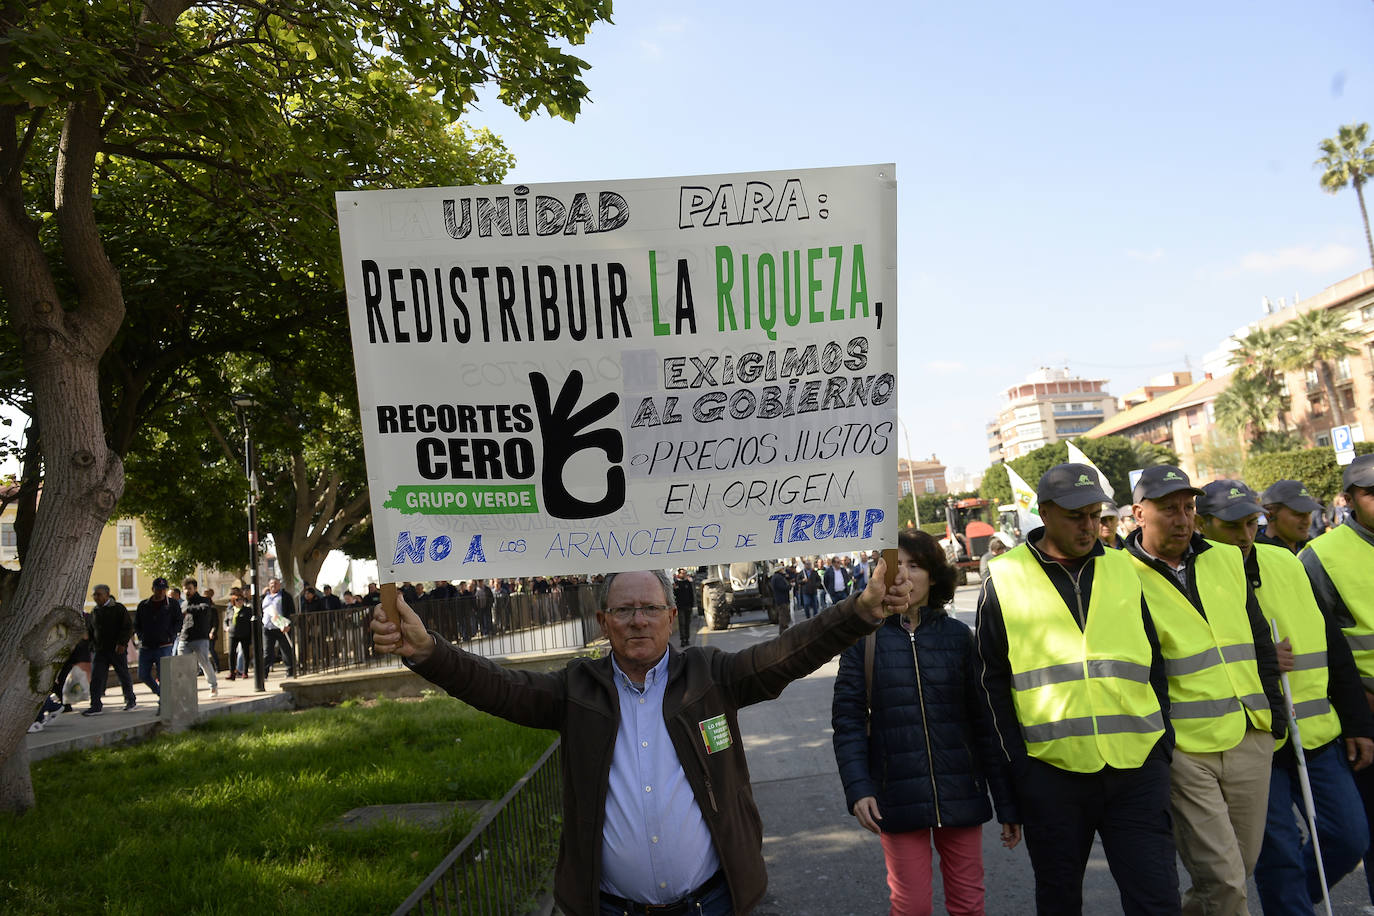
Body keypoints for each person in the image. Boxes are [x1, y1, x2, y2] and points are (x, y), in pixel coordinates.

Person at [371, 561, 912, 916]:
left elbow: (787, 653)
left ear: (671, 614)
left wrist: (857, 613)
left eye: (650, 608)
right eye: (624, 610)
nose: (638, 621)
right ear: (604, 620)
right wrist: (427, 652)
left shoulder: (710, 676)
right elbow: (498, 686)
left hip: (716, 903)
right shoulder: (575, 689)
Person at [976, 463, 1178, 915]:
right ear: (1044, 513)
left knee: (1157, 899)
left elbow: (1154, 661)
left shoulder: (1125, 569)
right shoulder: (1005, 576)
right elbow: (989, 683)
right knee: (1060, 900)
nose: (1089, 526)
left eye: (1095, 515)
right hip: (1052, 773)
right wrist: (1018, 769)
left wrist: (1163, 744)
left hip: (1137, 766)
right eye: (1076, 516)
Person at [1194, 479, 1374, 914]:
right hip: (1252, 741)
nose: (1243, 535)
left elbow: (1332, 646)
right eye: (1230, 525)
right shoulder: (1189, 574)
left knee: (1351, 838)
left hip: (1316, 734)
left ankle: (1295, 903)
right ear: (1202, 524)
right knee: (1279, 855)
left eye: (1250, 524)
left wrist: (1356, 724)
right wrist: (1258, 655)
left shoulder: (1287, 562)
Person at [1124, 465, 1286, 916]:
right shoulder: (1117, 574)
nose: (1182, 519)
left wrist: (1272, 718)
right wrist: (1163, 747)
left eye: (1189, 508)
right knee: (1224, 877)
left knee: (1238, 868)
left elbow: (1259, 643)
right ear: (1139, 513)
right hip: (1185, 749)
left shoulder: (1226, 558)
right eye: (1169, 509)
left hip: (1248, 734)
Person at [836, 530, 1017, 916]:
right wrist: (858, 788)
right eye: (895, 565)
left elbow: (985, 723)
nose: (903, 574)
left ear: (933, 576)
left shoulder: (958, 637)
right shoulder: (862, 640)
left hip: (961, 791)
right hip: (895, 797)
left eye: (914, 565)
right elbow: (849, 721)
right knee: (911, 906)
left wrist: (1007, 804)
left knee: (969, 904)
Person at [1301, 453, 1374, 908]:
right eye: (1372, 493)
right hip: (1367, 712)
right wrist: (1355, 714)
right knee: (1363, 830)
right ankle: (1291, 897)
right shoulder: (1320, 557)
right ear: (1347, 500)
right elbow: (1320, 647)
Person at [83, 584, 138, 715]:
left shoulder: (118, 608)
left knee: (123, 675)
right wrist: (92, 646)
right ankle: (95, 705)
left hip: (116, 649)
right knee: (96, 677)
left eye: (99, 594)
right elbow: (91, 631)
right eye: (94, 595)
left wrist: (122, 643)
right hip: (100, 650)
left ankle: (130, 700)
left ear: (107, 594)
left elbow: (128, 627)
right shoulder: (95, 611)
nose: (96, 597)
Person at [134, 576, 180, 704]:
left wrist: (171, 635)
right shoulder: (143, 605)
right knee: (143, 674)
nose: (160, 592)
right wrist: (141, 636)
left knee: (163, 676)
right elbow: (137, 623)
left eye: (163, 589)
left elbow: (178, 621)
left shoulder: (172, 604)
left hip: (164, 645)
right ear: (153, 589)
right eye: (158, 589)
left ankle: (164, 702)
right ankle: (161, 694)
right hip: (146, 646)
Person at [176, 578, 219, 697]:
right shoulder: (183, 604)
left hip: (200, 638)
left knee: (204, 663)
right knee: (184, 665)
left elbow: (204, 609)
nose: (187, 591)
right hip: (184, 638)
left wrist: (188, 609)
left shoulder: (204, 600)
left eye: (190, 588)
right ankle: (187, 690)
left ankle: (213, 686)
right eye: (185, 589)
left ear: (195, 589)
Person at [1258, 480, 1323, 554]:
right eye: (1299, 513)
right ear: (1269, 515)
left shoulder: (1313, 551)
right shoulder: (1253, 555)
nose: (1307, 521)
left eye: (1309, 513)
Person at [261, 576, 297, 678]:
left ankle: (290, 671)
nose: (274, 585)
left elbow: (291, 611)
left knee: (285, 650)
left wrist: (288, 625)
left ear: (279, 585)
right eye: (272, 584)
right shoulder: (264, 597)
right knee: (267, 651)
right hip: (268, 628)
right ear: (268, 585)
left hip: (282, 627)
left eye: (276, 583)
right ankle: (264, 674)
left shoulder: (285, 596)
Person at [226, 587, 253, 680]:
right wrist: (226, 627)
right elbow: (225, 621)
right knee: (231, 653)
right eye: (237, 600)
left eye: (241, 599)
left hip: (244, 634)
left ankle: (244, 672)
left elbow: (251, 623)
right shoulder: (230, 610)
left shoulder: (248, 610)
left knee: (245, 653)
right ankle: (232, 672)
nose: (240, 601)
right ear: (234, 601)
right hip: (233, 634)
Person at [672, 568, 696, 649]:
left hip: (688, 606)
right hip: (680, 607)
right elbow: (673, 596)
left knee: (687, 623)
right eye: (683, 573)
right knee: (682, 624)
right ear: (679, 574)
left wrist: (692, 605)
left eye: (685, 573)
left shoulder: (688, 583)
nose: (685, 574)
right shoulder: (676, 584)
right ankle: (682, 640)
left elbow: (691, 594)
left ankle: (687, 639)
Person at [769, 564, 791, 634]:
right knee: (784, 615)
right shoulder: (778, 578)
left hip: (780, 599)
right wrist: (789, 586)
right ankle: (784, 630)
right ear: (780, 570)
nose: (783, 570)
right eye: (782, 569)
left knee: (783, 614)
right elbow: (782, 588)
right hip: (782, 599)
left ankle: (783, 630)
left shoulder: (777, 577)